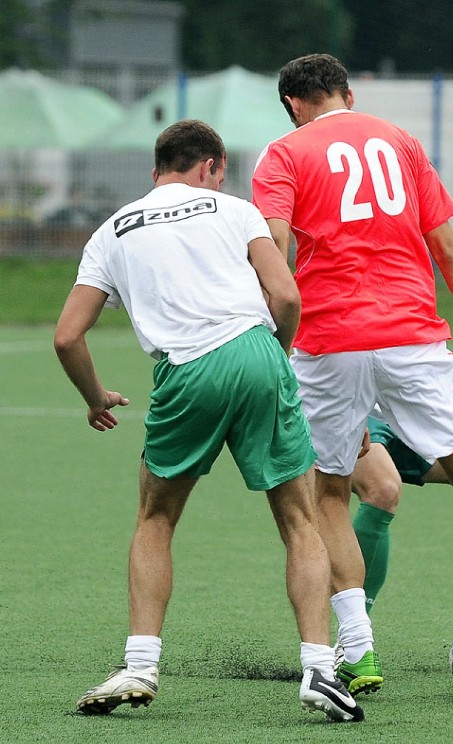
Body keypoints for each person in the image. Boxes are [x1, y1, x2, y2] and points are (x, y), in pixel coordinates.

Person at [252, 53, 453, 695]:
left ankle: (359, 650)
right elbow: (449, 249)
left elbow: (275, 251)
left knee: (331, 494)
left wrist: (271, 340)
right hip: (411, 337)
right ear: (348, 91)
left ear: (291, 103)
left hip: (327, 342)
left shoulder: (282, 154)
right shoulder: (399, 142)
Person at [54, 119, 363, 723]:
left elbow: (68, 337)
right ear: (214, 167)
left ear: (156, 172)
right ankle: (322, 669)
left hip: (185, 371)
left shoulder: (112, 229)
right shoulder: (235, 210)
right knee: (300, 520)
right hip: (255, 352)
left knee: (156, 517)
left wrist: (94, 398)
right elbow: (289, 297)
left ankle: (141, 664)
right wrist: (275, 355)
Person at [352, 394, 453, 624]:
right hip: (348, 406)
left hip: (398, 410)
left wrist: (444, 396)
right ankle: (352, 632)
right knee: (383, 488)